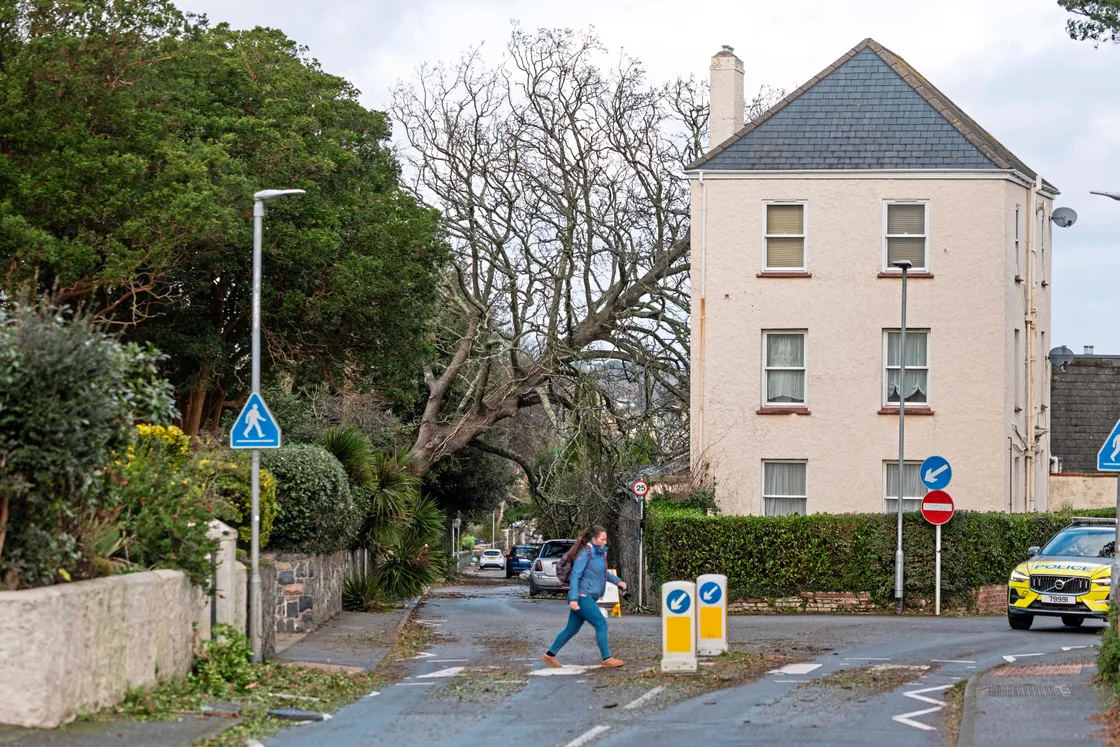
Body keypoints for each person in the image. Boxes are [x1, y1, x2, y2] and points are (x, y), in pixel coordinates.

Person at [541, 525, 627, 669]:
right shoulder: (585, 553)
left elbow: (602, 573)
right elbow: (575, 576)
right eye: (603, 539)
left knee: (571, 629)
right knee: (601, 624)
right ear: (594, 539)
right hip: (582, 597)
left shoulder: (599, 554)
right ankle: (607, 658)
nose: (605, 542)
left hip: (586, 596)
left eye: (605, 539)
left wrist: (618, 582)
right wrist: (574, 599)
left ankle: (549, 655)